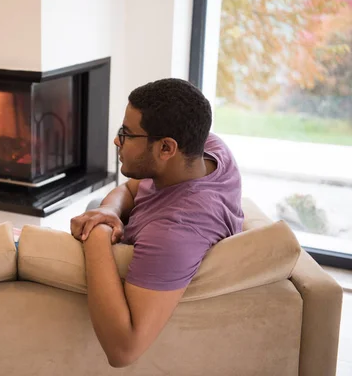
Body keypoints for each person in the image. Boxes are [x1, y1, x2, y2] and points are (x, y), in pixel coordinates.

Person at [70, 78, 244, 367]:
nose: (117, 141)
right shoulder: (209, 150)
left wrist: (97, 234)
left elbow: (123, 351)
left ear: (166, 148)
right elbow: (129, 189)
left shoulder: (174, 233)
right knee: (95, 207)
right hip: (125, 223)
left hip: (117, 250)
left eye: (126, 134)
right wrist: (110, 211)